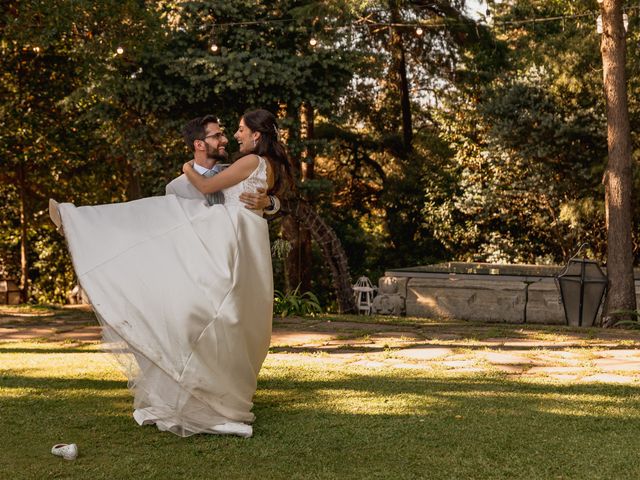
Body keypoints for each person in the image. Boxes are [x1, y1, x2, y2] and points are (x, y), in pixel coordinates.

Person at [49, 108, 293, 438]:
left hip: (231, 243)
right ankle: (83, 224)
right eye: (221, 133)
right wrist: (262, 199)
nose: (231, 136)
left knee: (230, 320)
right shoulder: (191, 181)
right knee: (155, 226)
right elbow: (165, 213)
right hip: (224, 242)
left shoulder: (240, 165)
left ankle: (215, 399)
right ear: (199, 144)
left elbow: (225, 189)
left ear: (256, 135)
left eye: (236, 130)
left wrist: (265, 201)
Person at [166, 114, 281, 214]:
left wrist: (268, 202)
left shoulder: (237, 171)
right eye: (217, 136)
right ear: (199, 145)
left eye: (223, 134)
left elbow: (273, 196)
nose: (225, 140)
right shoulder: (176, 188)